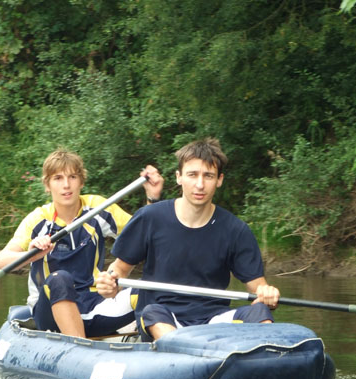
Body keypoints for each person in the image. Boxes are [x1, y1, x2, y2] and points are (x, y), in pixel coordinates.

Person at [95, 138, 279, 341]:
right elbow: (119, 271)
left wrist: (267, 294)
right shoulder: (149, 217)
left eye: (208, 176)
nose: (200, 184)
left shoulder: (236, 230)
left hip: (213, 320)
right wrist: (109, 283)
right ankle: (185, 352)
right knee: (152, 312)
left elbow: (258, 289)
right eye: (192, 175)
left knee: (260, 312)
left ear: (219, 180)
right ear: (179, 177)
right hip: (163, 317)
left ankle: (271, 357)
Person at [0, 148, 163, 338]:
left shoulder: (97, 208)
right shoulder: (38, 220)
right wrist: (31, 253)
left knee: (148, 288)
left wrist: (152, 198)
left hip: (95, 306)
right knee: (60, 279)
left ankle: (160, 343)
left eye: (72, 177)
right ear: (47, 185)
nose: (66, 185)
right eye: (58, 178)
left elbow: (144, 236)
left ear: (81, 181)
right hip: (50, 313)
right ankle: (78, 348)